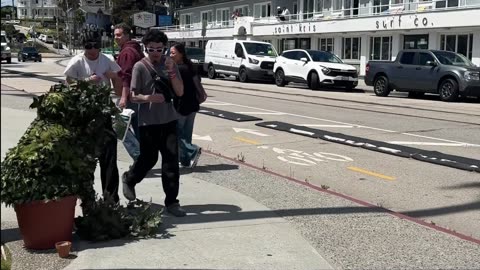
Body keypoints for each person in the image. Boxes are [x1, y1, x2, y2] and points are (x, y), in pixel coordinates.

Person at [122, 29, 186, 217]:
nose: (156, 53)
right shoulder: (139, 67)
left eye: (160, 49)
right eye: (152, 50)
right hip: (148, 122)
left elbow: (180, 92)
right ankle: (130, 179)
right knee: (148, 159)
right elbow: (133, 95)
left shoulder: (170, 65)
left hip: (169, 120)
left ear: (165, 48)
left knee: (171, 162)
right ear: (145, 49)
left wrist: (172, 72)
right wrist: (149, 97)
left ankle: (172, 202)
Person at [63, 30, 122, 203]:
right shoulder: (77, 61)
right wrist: (87, 81)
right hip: (84, 114)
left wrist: (115, 78)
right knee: (86, 160)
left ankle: (111, 200)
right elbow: (68, 86)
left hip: (103, 112)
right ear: (83, 46)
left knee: (109, 159)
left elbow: (118, 89)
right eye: (88, 46)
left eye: (96, 45)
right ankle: (88, 200)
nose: (93, 49)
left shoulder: (108, 61)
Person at [169, 43, 205, 168]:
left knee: (176, 133)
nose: (170, 55)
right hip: (193, 104)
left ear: (181, 54)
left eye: (173, 53)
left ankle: (192, 150)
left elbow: (173, 88)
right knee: (187, 134)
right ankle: (184, 160)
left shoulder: (178, 69)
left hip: (181, 105)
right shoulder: (191, 67)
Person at [114, 23, 144, 161]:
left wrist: (124, 98)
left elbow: (126, 77)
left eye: (119, 35)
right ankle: (144, 159)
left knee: (120, 127)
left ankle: (139, 156)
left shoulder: (127, 52)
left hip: (129, 96)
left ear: (127, 35)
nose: (116, 38)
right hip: (138, 95)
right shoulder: (136, 49)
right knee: (137, 128)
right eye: (115, 35)